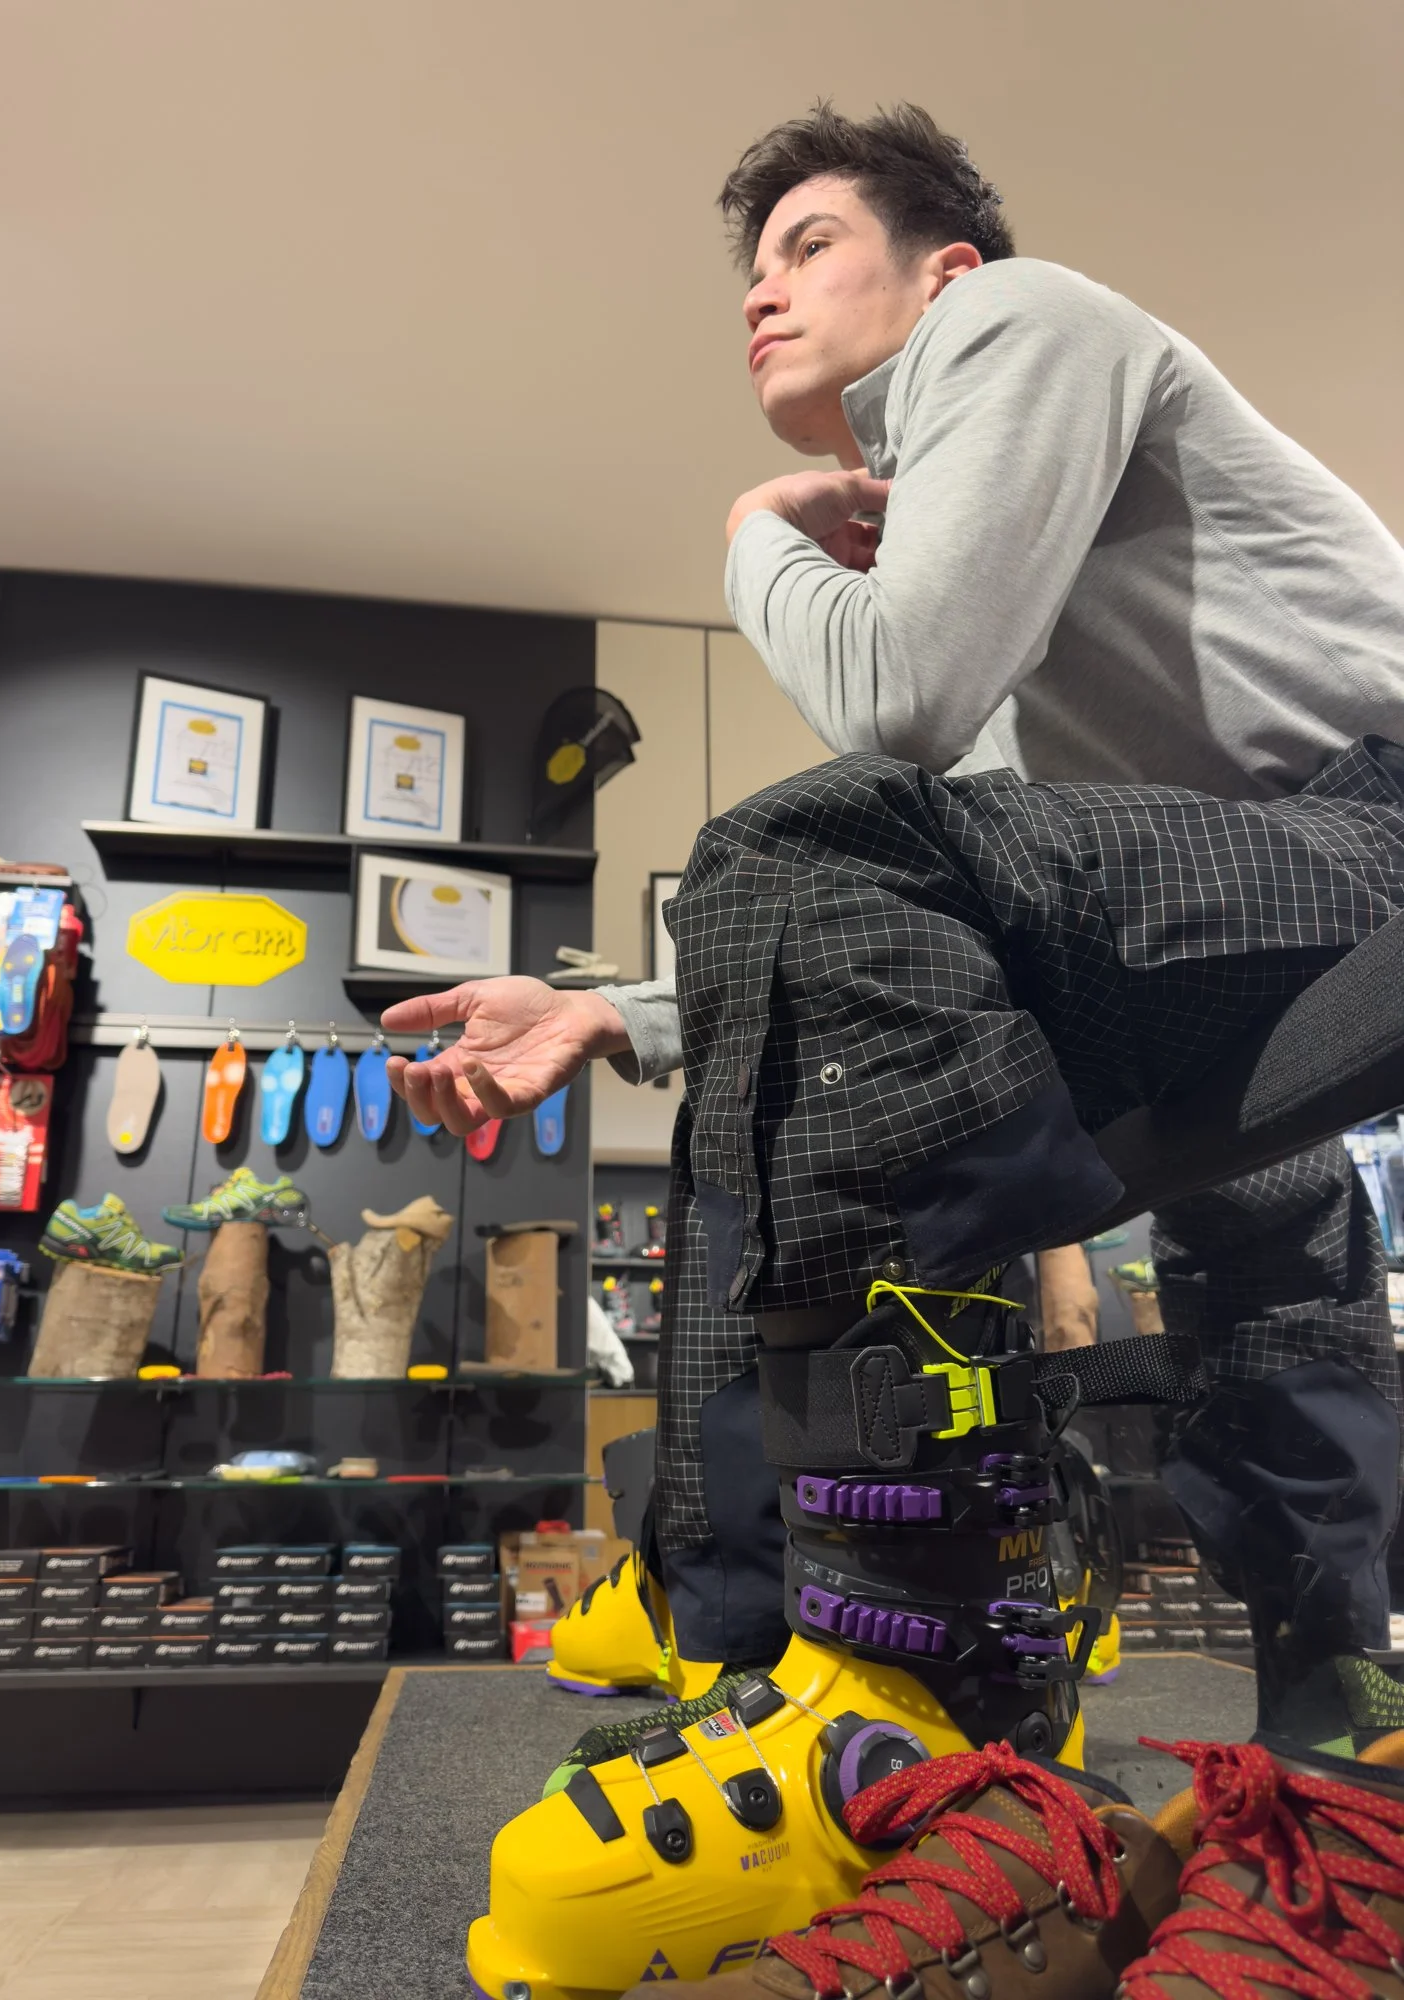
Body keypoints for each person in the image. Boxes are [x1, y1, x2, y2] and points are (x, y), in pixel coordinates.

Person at [389, 101, 1404, 1997]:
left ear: (947, 270)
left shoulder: (1024, 319)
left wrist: (751, 532)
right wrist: (617, 1010)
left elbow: (902, 703)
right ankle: (1319, 1732)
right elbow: (926, 917)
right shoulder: (1008, 578)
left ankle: (902, 1701)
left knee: (806, 835)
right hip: (1249, 902)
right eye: (751, 268)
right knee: (813, 954)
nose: (761, 293)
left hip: (1376, 829)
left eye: (810, 244)